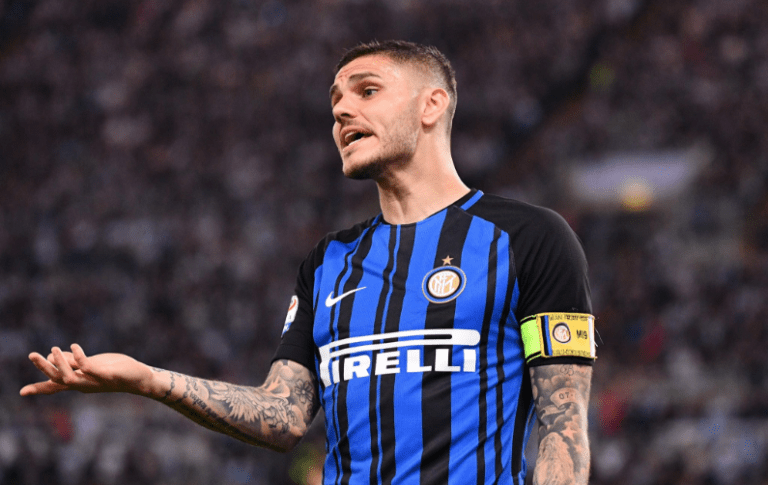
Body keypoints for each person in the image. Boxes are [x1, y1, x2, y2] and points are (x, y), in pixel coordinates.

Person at [21, 40, 596, 485]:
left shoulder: (529, 238)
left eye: (366, 91)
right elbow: (284, 415)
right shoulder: (329, 262)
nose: (342, 110)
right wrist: (149, 380)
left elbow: (563, 423)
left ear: (432, 104)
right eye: (335, 101)